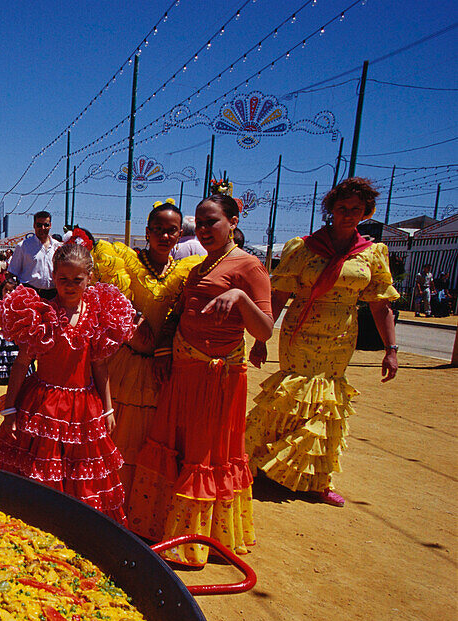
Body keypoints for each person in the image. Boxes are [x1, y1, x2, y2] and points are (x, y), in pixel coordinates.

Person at [127, 194, 273, 566]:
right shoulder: (201, 267)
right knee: (179, 450)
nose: (205, 230)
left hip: (216, 381)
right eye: (201, 223)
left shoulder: (249, 266)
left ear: (233, 222)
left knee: (205, 458)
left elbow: (266, 329)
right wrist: (163, 351)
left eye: (213, 222)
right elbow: (179, 314)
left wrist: (240, 296)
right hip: (183, 375)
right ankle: (166, 528)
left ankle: (199, 540)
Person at [246, 177, 399, 507]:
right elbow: (280, 295)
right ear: (330, 209)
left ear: (367, 212)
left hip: (342, 334)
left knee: (328, 401)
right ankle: (253, 463)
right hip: (300, 330)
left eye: (356, 209)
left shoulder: (372, 254)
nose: (348, 214)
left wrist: (391, 350)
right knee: (292, 395)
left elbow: (379, 304)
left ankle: (314, 480)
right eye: (342, 208)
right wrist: (261, 338)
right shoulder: (302, 248)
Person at [0, 243, 135, 523]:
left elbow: (99, 365)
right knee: (38, 470)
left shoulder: (100, 314)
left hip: (84, 410)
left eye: (77, 280)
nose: (69, 285)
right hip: (41, 407)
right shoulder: (40, 316)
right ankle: (38, 523)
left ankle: (73, 526)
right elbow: (21, 365)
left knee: (79, 472)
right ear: (53, 276)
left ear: (89, 278)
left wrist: (108, 408)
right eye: (63, 279)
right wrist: (10, 410)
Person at [92, 203, 204, 495]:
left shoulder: (186, 270)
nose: (164, 236)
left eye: (171, 231)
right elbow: (106, 305)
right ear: (147, 232)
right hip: (125, 362)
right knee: (119, 434)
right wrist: (130, 328)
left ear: (180, 234)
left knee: (151, 439)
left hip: (162, 366)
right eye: (158, 230)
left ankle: (142, 506)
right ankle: (109, 501)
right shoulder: (125, 262)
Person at [8, 211, 57, 298]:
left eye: (46, 225)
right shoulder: (23, 246)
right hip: (29, 294)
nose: (42, 228)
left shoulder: (57, 246)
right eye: (39, 225)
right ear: (34, 225)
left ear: (50, 225)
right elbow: (12, 272)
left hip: (52, 295)